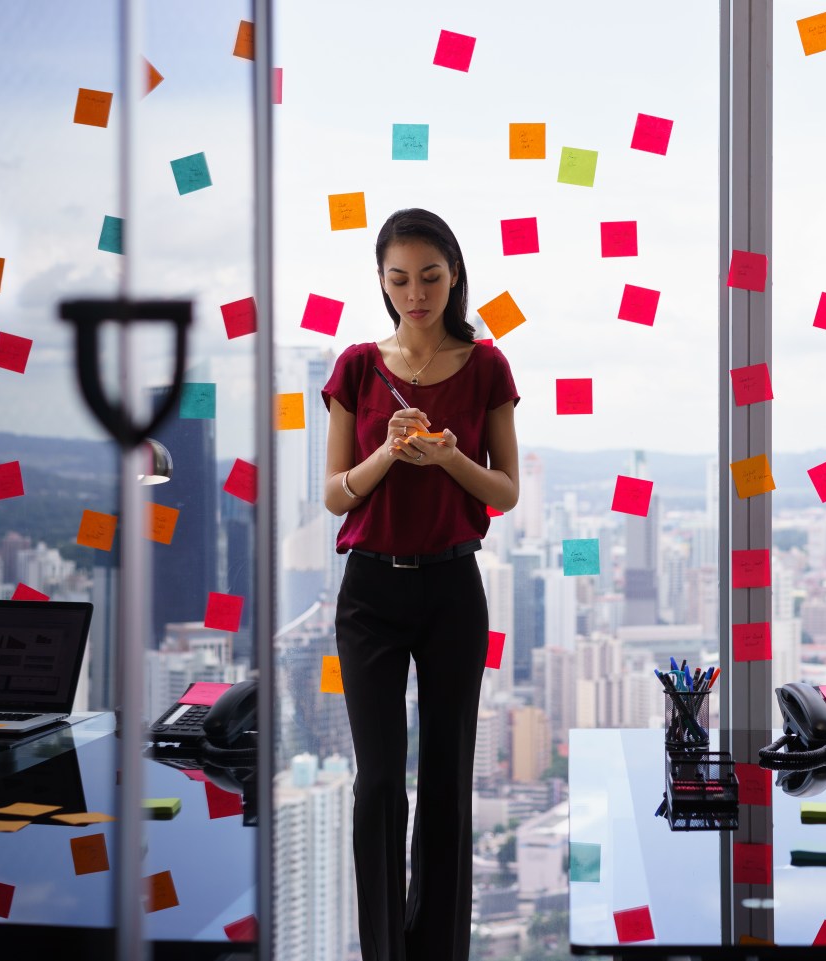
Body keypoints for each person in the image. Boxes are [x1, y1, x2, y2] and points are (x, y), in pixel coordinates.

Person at [321, 208, 520, 960]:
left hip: (451, 591)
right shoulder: (356, 366)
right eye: (399, 278)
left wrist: (447, 460)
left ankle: (439, 950)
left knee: (445, 777)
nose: (416, 293)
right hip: (369, 593)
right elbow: (338, 493)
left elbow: (502, 491)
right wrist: (389, 452)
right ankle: (384, 951)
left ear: (456, 275)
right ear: (381, 281)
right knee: (377, 782)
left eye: (431, 277)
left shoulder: (489, 365)